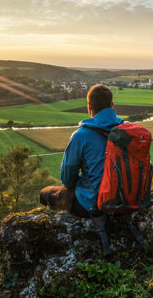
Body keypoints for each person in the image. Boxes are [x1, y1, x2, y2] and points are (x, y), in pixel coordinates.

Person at [40, 84, 122, 218]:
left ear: (89, 106)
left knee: (44, 193)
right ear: (112, 105)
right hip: (125, 198)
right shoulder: (126, 130)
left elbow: (67, 180)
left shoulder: (81, 135)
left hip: (92, 204)